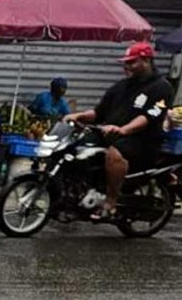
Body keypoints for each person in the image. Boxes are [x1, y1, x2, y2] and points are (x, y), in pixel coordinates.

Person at [64, 42, 174, 221]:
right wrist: (79, 116)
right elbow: (98, 113)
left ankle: (111, 202)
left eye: (132, 62)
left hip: (142, 140)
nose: (126, 66)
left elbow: (147, 117)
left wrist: (123, 130)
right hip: (110, 134)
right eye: (125, 63)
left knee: (114, 154)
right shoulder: (121, 86)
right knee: (75, 148)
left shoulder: (161, 88)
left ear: (146, 61)